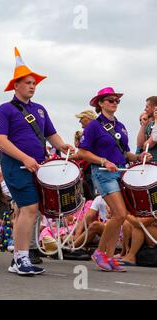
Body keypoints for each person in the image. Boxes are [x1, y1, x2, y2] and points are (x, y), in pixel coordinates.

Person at [0, 47, 74, 276]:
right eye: (28, 82)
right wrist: (25, 157)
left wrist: (62, 146)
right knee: (30, 208)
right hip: (16, 165)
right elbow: (0, 140)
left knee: (26, 210)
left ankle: (18, 258)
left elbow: (51, 134)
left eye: (34, 83)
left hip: (37, 166)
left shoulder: (39, 109)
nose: (32, 86)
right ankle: (21, 258)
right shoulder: (5, 109)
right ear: (16, 85)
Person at [77, 87, 152, 272]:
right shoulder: (94, 125)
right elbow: (82, 152)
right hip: (102, 173)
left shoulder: (121, 126)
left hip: (118, 172)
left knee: (119, 216)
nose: (114, 103)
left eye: (116, 100)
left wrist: (139, 157)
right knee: (119, 214)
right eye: (110, 100)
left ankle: (108, 256)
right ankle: (101, 253)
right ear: (100, 103)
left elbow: (125, 153)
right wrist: (103, 160)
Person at [137, 96, 157, 161]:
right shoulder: (150, 123)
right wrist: (143, 125)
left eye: (147, 107)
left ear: (155, 108)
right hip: (150, 165)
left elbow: (147, 146)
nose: (145, 109)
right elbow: (139, 145)